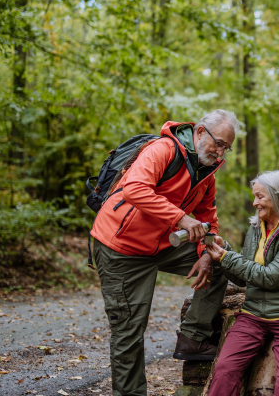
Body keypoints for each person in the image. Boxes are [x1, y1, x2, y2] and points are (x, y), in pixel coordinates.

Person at [90, 109, 239, 396]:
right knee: (129, 333)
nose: (220, 152)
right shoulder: (163, 149)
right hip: (122, 247)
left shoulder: (206, 172)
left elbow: (208, 216)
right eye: (218, 143)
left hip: (163, 243)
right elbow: (134, 189)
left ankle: (193, 337)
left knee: (221, 254)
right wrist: (182, 219)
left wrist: (206, 251)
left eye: (226, 148)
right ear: (199, 132)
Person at [204, 170, 279, 396]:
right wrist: (223, 250)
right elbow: (243, 276)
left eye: (260, 197)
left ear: (278, 197)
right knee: (224, 369)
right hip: (253, 314)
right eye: (254, 196)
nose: (254, 203)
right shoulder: (256, 227)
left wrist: (227, 258)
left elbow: (272, 277)